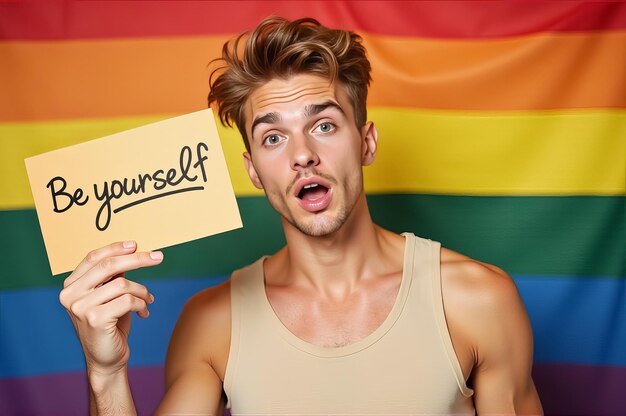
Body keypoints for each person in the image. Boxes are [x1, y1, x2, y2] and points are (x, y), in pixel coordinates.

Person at [59, 17, 543, 415]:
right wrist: (106, 375)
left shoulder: (477, 300)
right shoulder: (212, 323)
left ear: (366, 142)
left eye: (324, 125)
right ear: (252, 170)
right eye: (273, 137)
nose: (302, 154)